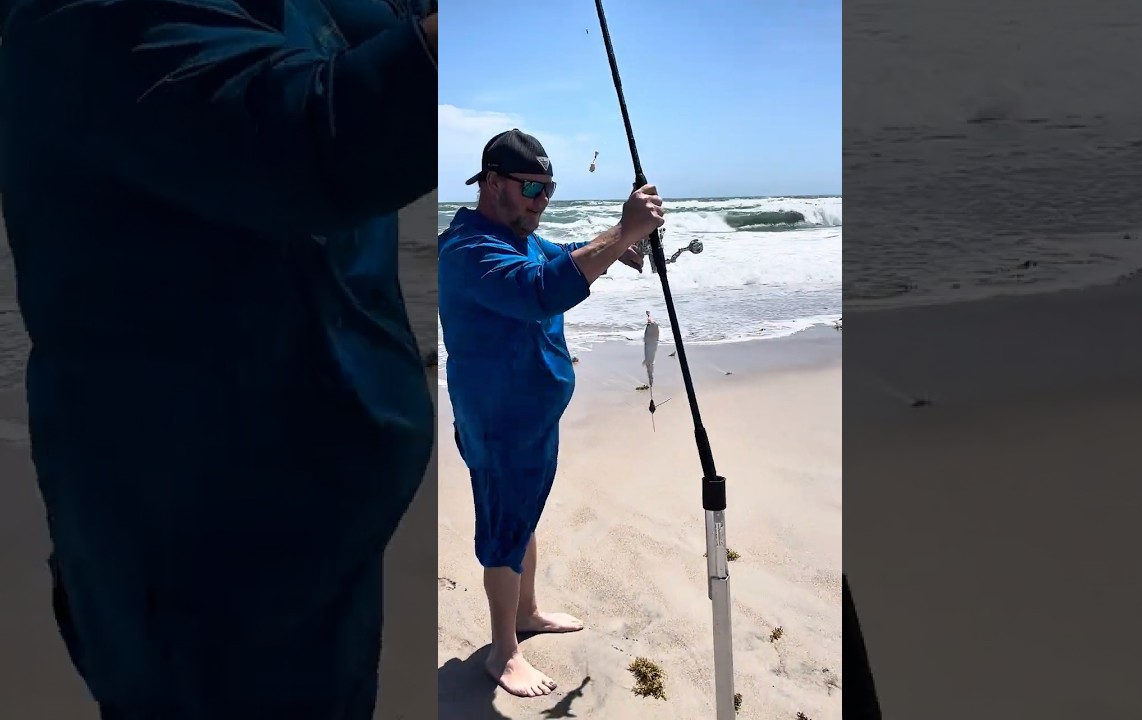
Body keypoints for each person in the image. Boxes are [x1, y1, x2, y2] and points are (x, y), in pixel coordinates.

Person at [0, 0, 438, 717]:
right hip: (204, 565)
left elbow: (384, 31)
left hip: (321, 535)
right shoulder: (87, 18)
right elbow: (319, 136)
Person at [438, 128, 662, 697]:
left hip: (533, 416)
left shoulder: (520, 236)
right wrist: (623, 228)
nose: (541, 201)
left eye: (549, 190)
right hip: (499, 420)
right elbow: (539, 291)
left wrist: (615, 248)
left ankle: (526, 611)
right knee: (502, 526)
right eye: (531, 187)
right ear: (491, 182)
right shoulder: (468, 249)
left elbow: (557, 259)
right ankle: (502, 652)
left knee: (524, 514)